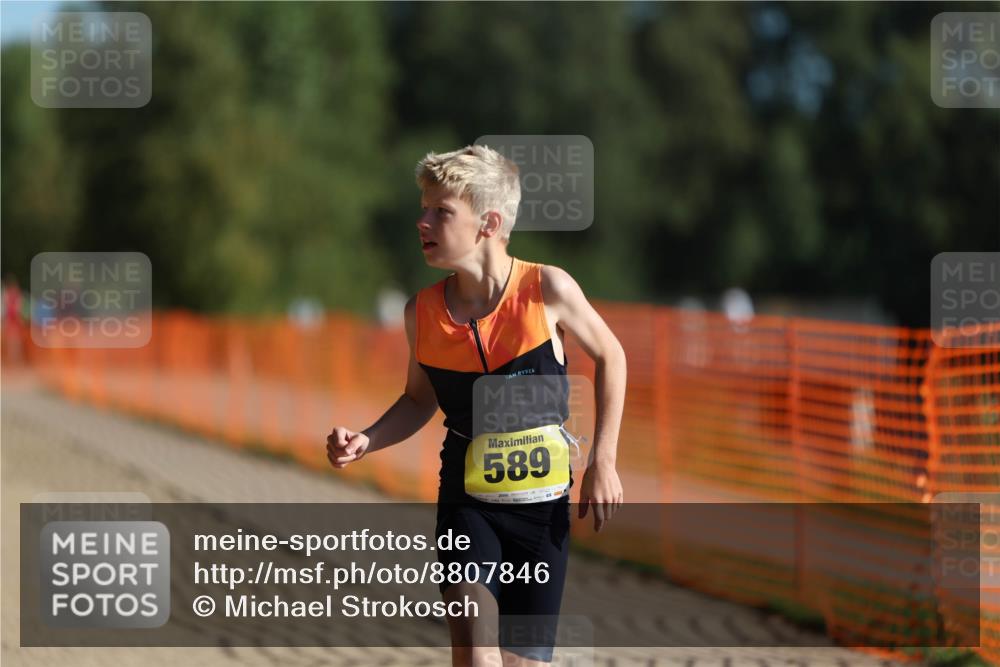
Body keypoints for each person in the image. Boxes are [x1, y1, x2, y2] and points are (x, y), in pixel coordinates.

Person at [327, 144, 627, 667]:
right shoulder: (421, 312)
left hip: (543, 515)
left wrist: (603, 459)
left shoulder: (546, 288)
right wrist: (367, 439)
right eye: (423, 207)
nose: (422, 220)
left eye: (440, 211)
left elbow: (612, 356)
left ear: (488, 223)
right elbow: (418, 399)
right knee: (476, 657)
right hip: (468, 507)